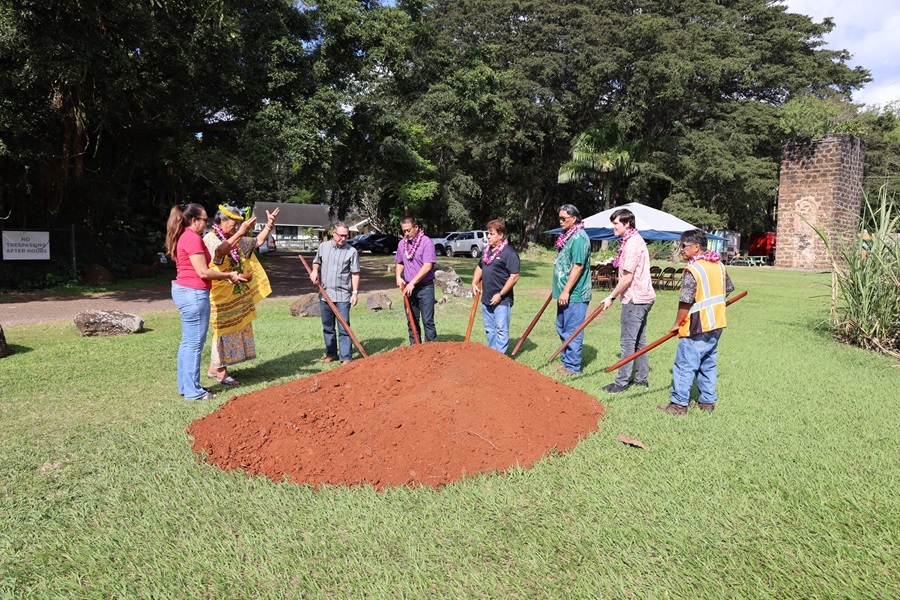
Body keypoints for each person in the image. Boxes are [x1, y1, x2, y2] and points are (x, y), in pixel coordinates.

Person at [165, 203, 245, 401]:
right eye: (204, 219)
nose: (207, 223)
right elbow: (202, 272)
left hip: (184, 291)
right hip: (194, 293)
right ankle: (194, 392)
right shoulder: (192, 238)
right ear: (194, 221)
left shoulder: (183, 236)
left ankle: (186, 387)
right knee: (194, 345)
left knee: (187, 343)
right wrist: (229, 274)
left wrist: (223, 277)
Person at [658, 229, 735, 415]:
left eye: (683, 246)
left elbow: (685, 300)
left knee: (685, 364)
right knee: (708, 363)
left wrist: (677, 323)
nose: (681, 250)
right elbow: (729, 288)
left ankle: (678, 405)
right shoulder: (718, 265)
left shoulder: (693, 269)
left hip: (697, 325)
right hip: (717, 322)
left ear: (696, 247)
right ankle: (707, 403)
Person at [203, 204, 279, 386]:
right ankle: (222, 374)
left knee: (235, 329)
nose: (237, 227)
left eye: (239, 224)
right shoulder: (210, 238)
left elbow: (257, 242)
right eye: (234, 224)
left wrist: (269, 225)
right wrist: (242, 232)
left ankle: (215, 368)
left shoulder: (235, 239)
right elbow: (220, 252)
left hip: (235, 293)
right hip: (219, 294)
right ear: (221, 221)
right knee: (221, 331)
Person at [598, 208, 656, 393]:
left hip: (635, 298)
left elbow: (627, 278)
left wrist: (611, 296)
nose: (613, 227)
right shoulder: (634, 240)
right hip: (644, 297)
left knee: (628, 342)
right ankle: (641, 379)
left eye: (616, 223)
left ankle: (621, 383)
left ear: (627, 224)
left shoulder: (631, 244)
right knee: (639, 341)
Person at [310, 222, 360, 364]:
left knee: (344, 327)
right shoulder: (323, 247)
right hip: (325, 295)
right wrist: (314, 271)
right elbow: (316, 262)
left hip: (343, 296)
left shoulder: (352, 251)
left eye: (346, 236)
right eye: (341, 235)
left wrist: (355, 292)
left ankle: (346, 358)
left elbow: (355, 273)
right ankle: (331, 354)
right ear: (333, 233)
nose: (344, 238)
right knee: (328, 327)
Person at [553, 204, 592, 375]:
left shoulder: (579, 237)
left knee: (572, 330)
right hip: (564, 293)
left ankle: (572, 367)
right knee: (561, 326)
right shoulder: (567, 236)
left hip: (575, 294)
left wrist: (566, 291)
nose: (560, 221)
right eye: (559, 218)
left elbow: (577, 266)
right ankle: (566, 361)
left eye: (564, 218)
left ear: (574, 219)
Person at [471, 219, 520, 354]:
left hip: (502, 299)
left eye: (491, 234)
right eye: (488, 233)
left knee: (501, 329)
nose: (488, 237)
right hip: (486, 297)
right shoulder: (487, 251)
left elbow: (514, 276)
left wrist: (501, 294)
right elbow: (480, 267)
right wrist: (474, 282)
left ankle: (501, 358)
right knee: (489, 329)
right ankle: (492, 356)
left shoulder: (509, 253)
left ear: (501, 234)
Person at [395, 216, 438, 343]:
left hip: (425, 287)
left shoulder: (426, 242)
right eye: (404, 231)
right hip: (408, 288)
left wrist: (413, 283)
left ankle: (431, 350)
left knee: (428, 321)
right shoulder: (401, 244)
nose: (406, 234)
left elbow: (427, 266)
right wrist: (398, 276)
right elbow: (399, 261)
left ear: (416, 228)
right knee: (412, 320)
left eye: (408, 230)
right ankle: (415, 349)